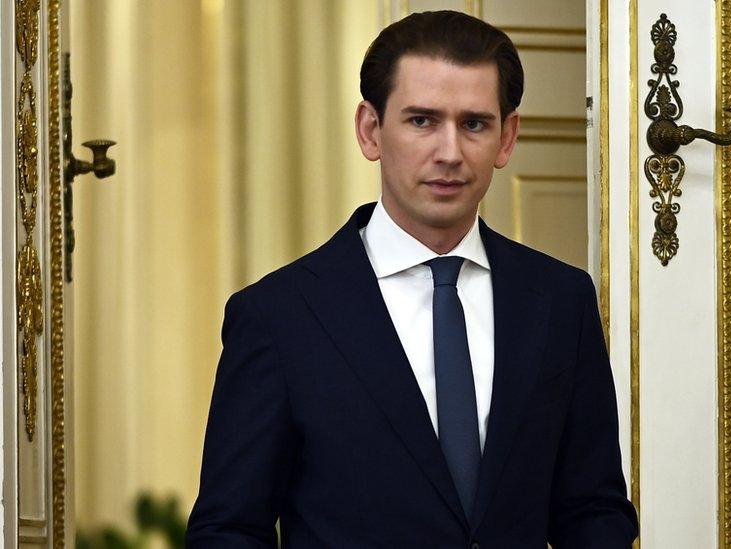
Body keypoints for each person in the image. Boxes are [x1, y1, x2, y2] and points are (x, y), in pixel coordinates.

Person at [186, 10, 637, 548]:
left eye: (473, 123)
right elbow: (229, 529)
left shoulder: (561, 301)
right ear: (370, 130)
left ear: (507, 137)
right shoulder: (278, 316)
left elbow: (593, 509)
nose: (450, 153)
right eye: (422, 120)